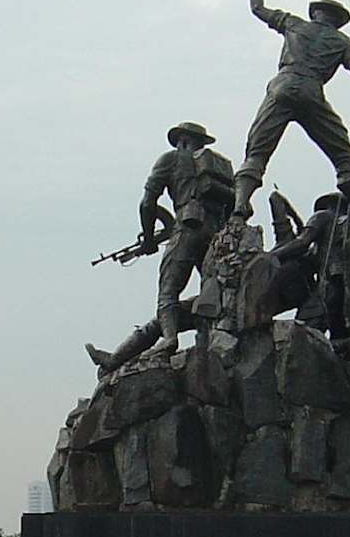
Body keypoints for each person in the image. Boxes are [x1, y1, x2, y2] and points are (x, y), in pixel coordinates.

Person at [232, 0, 350, 220]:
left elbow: (257, 8)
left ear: (316, 13)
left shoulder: (294, 24)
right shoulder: (344, 42)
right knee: (343, 154)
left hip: (282, 86)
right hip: (312, 92)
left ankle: (240, 204)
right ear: (338, 21)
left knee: (257, 151)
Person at [87, 122, 238, 368]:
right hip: (216, 234)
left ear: (182, 140)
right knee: (211, 293)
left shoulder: (170, 159)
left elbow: (147, 203)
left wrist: (148, 238)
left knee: (168, 292)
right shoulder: (217, 167)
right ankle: (209, 340)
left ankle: (169, 339)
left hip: (188, 226)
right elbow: (233, 203)